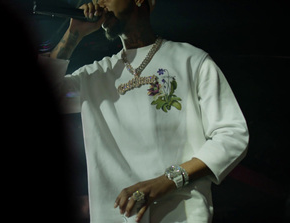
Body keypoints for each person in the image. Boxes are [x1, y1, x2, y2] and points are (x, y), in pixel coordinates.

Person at [38, 0, 249, 222]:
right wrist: (74, 34)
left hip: (180, 215)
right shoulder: (95, 75)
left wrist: (167, 181)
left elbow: (232, 134)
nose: (97, 3)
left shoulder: (191, 60)